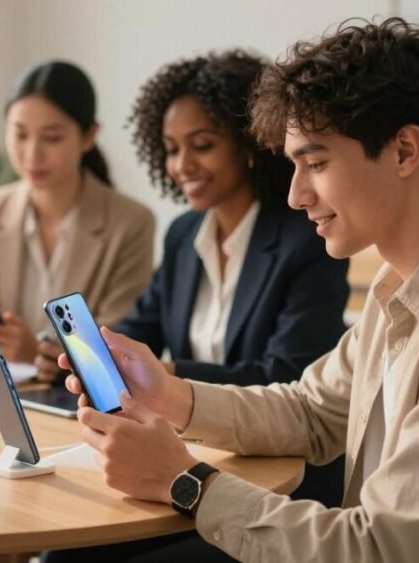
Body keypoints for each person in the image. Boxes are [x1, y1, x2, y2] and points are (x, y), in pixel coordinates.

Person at [63, 18, 419, 562]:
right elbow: (309, 410)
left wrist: (184, 481)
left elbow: (384, 549)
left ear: (404, 151)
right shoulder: (405, 281)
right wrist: (169, 394)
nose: (298, 195)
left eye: (316, 163)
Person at [116, 51, 349, 508]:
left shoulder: (308, 239)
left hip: (283, 480)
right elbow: (140, 328)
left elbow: (286, 376)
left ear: (247, 144)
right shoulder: (184, 236)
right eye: (171, 148)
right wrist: (89, 352)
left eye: (201, 145)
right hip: (197, 454)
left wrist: (170, 377)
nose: (181, 165)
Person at [0, 60, 154, 379]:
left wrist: (36, 353)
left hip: (78, 407)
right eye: (20, 134)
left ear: (88, 136)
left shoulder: (130, 222)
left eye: (52, 138)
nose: (32, 154)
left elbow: (119, 346)